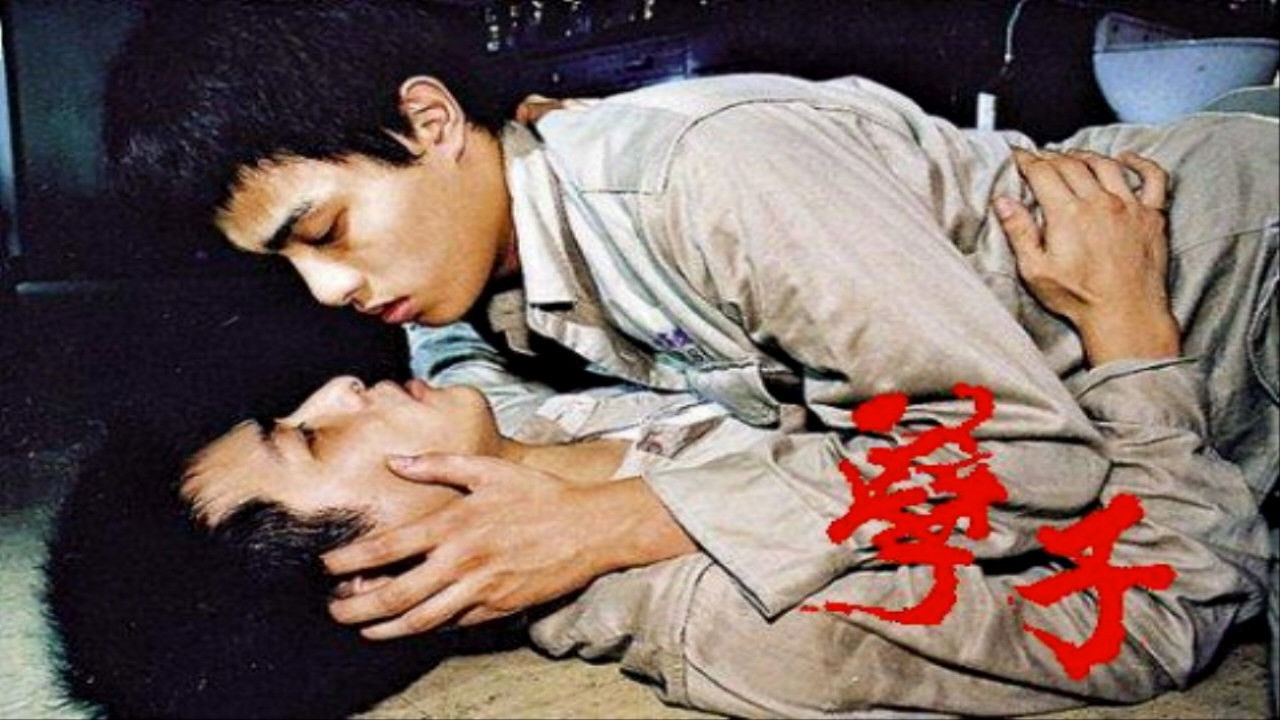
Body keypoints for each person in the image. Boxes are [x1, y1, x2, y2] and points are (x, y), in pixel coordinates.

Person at [101, 0, 1275, 714]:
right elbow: (474, 386)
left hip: (1235, 247)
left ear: (430, 121)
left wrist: (625, 517)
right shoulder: (464, 309)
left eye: (323, 231)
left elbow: (1026, 458)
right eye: (288, 263)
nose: (331, 302)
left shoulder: (703, 179)